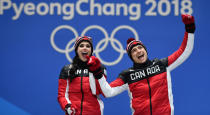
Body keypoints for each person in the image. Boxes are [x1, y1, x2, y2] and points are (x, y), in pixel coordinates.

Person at [86, 14, 196, 115]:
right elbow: (108, 92)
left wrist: (189, 29)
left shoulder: (161, 65)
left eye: (140, 48)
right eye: (134, 50)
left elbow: (184, 51)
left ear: (145, 50)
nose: (138, 51)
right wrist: (97, 72)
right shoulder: (127, 75)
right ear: (131, 57)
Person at [57, 36, 106, 115]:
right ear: (76, 49)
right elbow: (62, 94)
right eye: (81, 46)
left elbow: (101, 91)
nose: (85, 48)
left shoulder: (99, 68)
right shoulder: (67, 69)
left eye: (88, 46)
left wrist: (95, 71)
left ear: (91, 50)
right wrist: (68, 107)